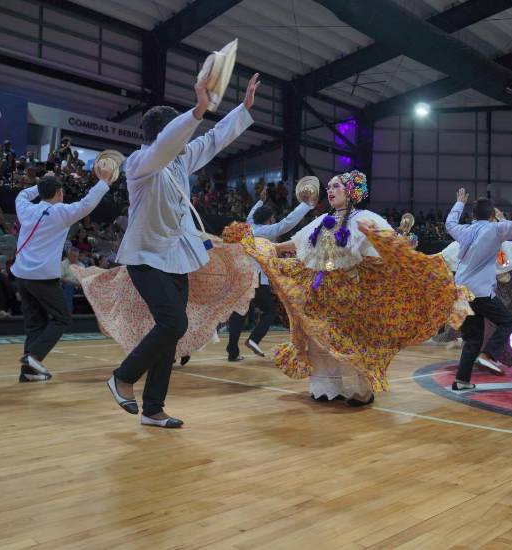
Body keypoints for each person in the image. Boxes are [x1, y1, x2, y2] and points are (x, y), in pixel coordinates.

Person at [104, 72, 260, 429]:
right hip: (144, 258)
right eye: (182, 133)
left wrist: (243, 109)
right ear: (164, 135)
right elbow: (166, 145)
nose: (189, 140)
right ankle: (123, 377)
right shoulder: (140, 164)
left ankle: (153, 409)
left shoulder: (180, 162)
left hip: (175, 258)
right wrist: (198, 108)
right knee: (174, 322)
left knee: (172, 330)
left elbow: (214, 140)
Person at [238, 170, 460, 406]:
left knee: (355, 340)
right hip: (323, 290)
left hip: (353, 292)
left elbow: (388, 243)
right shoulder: (324, 220)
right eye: (329, 187)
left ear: (351, 192)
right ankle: (327, 387)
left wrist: (402, 247)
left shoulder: (366, 218)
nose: (330, 191)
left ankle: (364, 390)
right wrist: (273, 248)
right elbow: (300, 240)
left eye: (336, 187)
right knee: (320, 338)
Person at [445, 177, 512, 389]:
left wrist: (459, 202)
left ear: (473, 215)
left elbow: (449, 223)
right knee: (506, 321)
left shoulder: (464, 231)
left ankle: (461, 381)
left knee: (471, 339)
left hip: (459, 292)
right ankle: (488, 354)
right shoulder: (496, 230)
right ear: (493, 215)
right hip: (479, 292)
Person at [11, 173, 112, 382]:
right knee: (62, 317)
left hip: (21, 275)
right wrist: (104, 182)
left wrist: (38, 186)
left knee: (34, 323)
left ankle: (28, 372)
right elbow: (87, 204)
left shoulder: (26, 209)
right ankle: (33, 357)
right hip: (42, 277)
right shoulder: (61, 212)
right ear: (59, 192)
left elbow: (21, 194)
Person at [226, 185, 314, 361]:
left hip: (240, 275)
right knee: (269, 311)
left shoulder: (249, 225)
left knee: (240, 311)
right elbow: (287, 223)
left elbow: (252, 213)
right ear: (268, 219)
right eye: (272, 217)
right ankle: (254, 339)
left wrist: (260, 200)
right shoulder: (266, 231)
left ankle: (232, 351)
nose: (274, 219)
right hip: (256, 277)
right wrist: (306, 205)